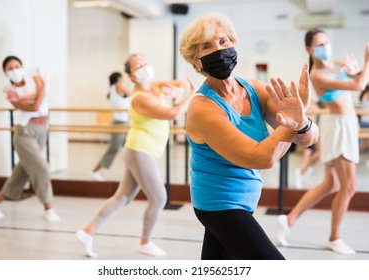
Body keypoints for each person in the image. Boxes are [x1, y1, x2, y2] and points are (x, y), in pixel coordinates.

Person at [179, 13, 318, 260]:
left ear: (233, 43)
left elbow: (309, 138)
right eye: (207, 46)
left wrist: (303, 122)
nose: (219, 49)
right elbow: (261, 158)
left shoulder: (255, 89)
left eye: (223, 41)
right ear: (197, 61)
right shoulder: (202, 108)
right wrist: (294, 123)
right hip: (219, 204)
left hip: (246, 200)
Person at [75, 53, 196, 258]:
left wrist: (180, 89)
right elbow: (173, 114)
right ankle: (145, 242)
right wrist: (191, 94)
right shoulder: (140, 98)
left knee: (122, 197)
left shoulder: (155, 87)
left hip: (140, 150)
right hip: (140, 151)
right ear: (131, 76)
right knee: (159, 198)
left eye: (146, 63)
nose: (145, 67)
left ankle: (88, 231)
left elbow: (180, 82)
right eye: (138, 66)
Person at [277, 28, 369, 255]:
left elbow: (359, 79)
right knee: (349, 186)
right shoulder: (317, 75)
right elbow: (358, 86)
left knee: (332, 184)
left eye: (326, 42)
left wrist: (357, 68)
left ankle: (289, 219)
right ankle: (334, 237)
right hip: (337, 126)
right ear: (309, 49)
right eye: (319, 44)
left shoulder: (335, 66)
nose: (324, 46)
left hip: (346, 125)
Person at [0, 55, 60, 221]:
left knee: (21, 172)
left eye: (17, 66)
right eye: (10, 68)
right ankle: (48, 208)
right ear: (5, 72)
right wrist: (43, 86)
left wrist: (37, 89)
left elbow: (37, 100)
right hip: (25, 133)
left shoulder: (34, 79)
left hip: (42, 129)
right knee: (41, 167)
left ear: (22, 66)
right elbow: (35, 106)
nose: (15, 70)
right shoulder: (11, 93)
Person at [90, 72, 131, 181]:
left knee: (130, 148)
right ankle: (95, 170)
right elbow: (132, 93)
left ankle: (132, 173)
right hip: (119, 123)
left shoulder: (113, 88)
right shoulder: (117, 86)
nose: (123, 80)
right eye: (122, 78)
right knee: (114, 148)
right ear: (118, 79)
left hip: (125, 123)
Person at [358, 85, 369, 164]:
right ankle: (351, 156)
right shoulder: (366, 95)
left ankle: (368, 160)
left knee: (366, 144)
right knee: (366, 144)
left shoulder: (364, 95)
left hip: (364, 121)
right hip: (366, 122)